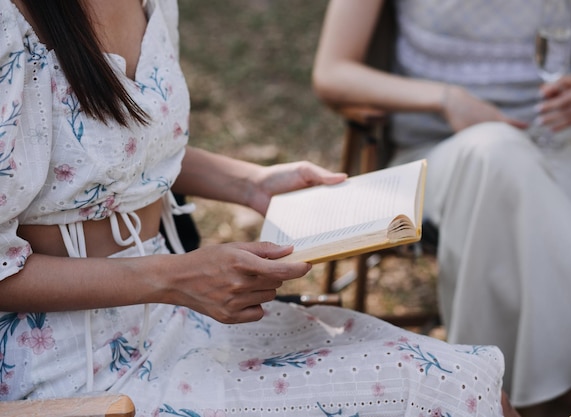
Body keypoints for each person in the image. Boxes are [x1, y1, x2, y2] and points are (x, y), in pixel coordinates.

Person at [0, 0, 522, 416]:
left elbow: (121, 153)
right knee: (440, 396)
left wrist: (252, 184)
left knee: (471, 389)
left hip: (172, 316)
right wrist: (173, 278)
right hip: (75, 368)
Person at [312, 0, 571, 416]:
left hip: (566, 147)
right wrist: (445, 98)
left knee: (510, 184)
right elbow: (332, 72)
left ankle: (486, 397)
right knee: (494, 151)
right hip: (440, 154)